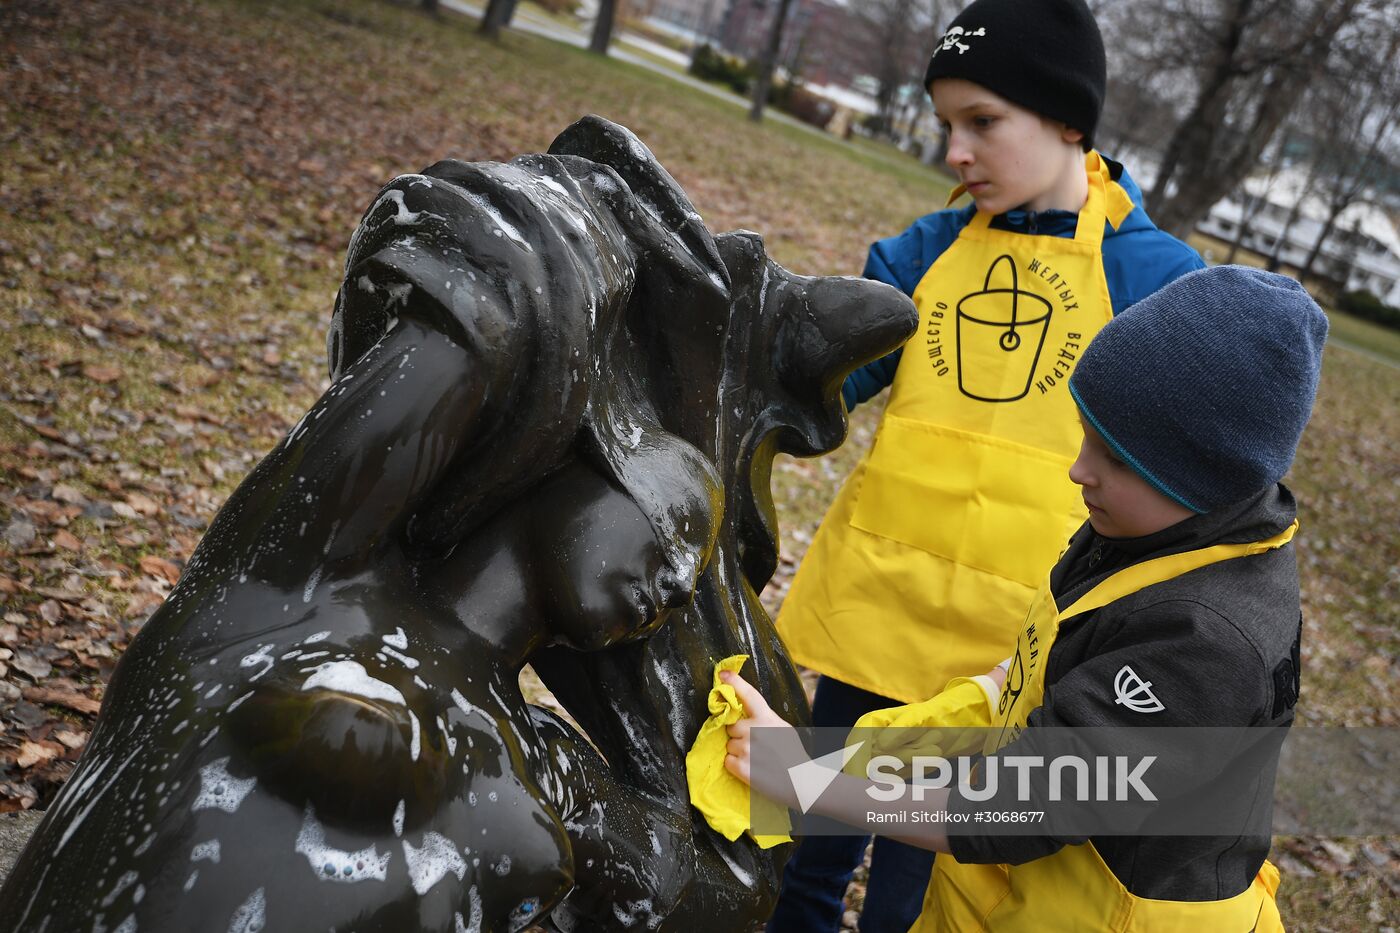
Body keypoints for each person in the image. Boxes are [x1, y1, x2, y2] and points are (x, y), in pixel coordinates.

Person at [770, 0, 1204, 928]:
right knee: (804, 870)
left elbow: (1188, 473)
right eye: (946, 128)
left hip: (1008, 670)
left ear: (1068, 120)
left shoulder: (1156, 284)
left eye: (983, 122)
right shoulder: (921, 254)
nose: (956, 153)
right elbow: (813, 386)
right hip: (876, 619)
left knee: (917, 903)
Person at [727, 265, 1327, 932]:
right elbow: (1017, 687)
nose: (1080, 469)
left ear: (1206, 476)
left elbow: (1012, 808)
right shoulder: (1148, 529)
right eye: (1086, 435)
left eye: (1117, 459)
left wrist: (811, 787)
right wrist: (820, 757)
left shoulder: (1207, 642)